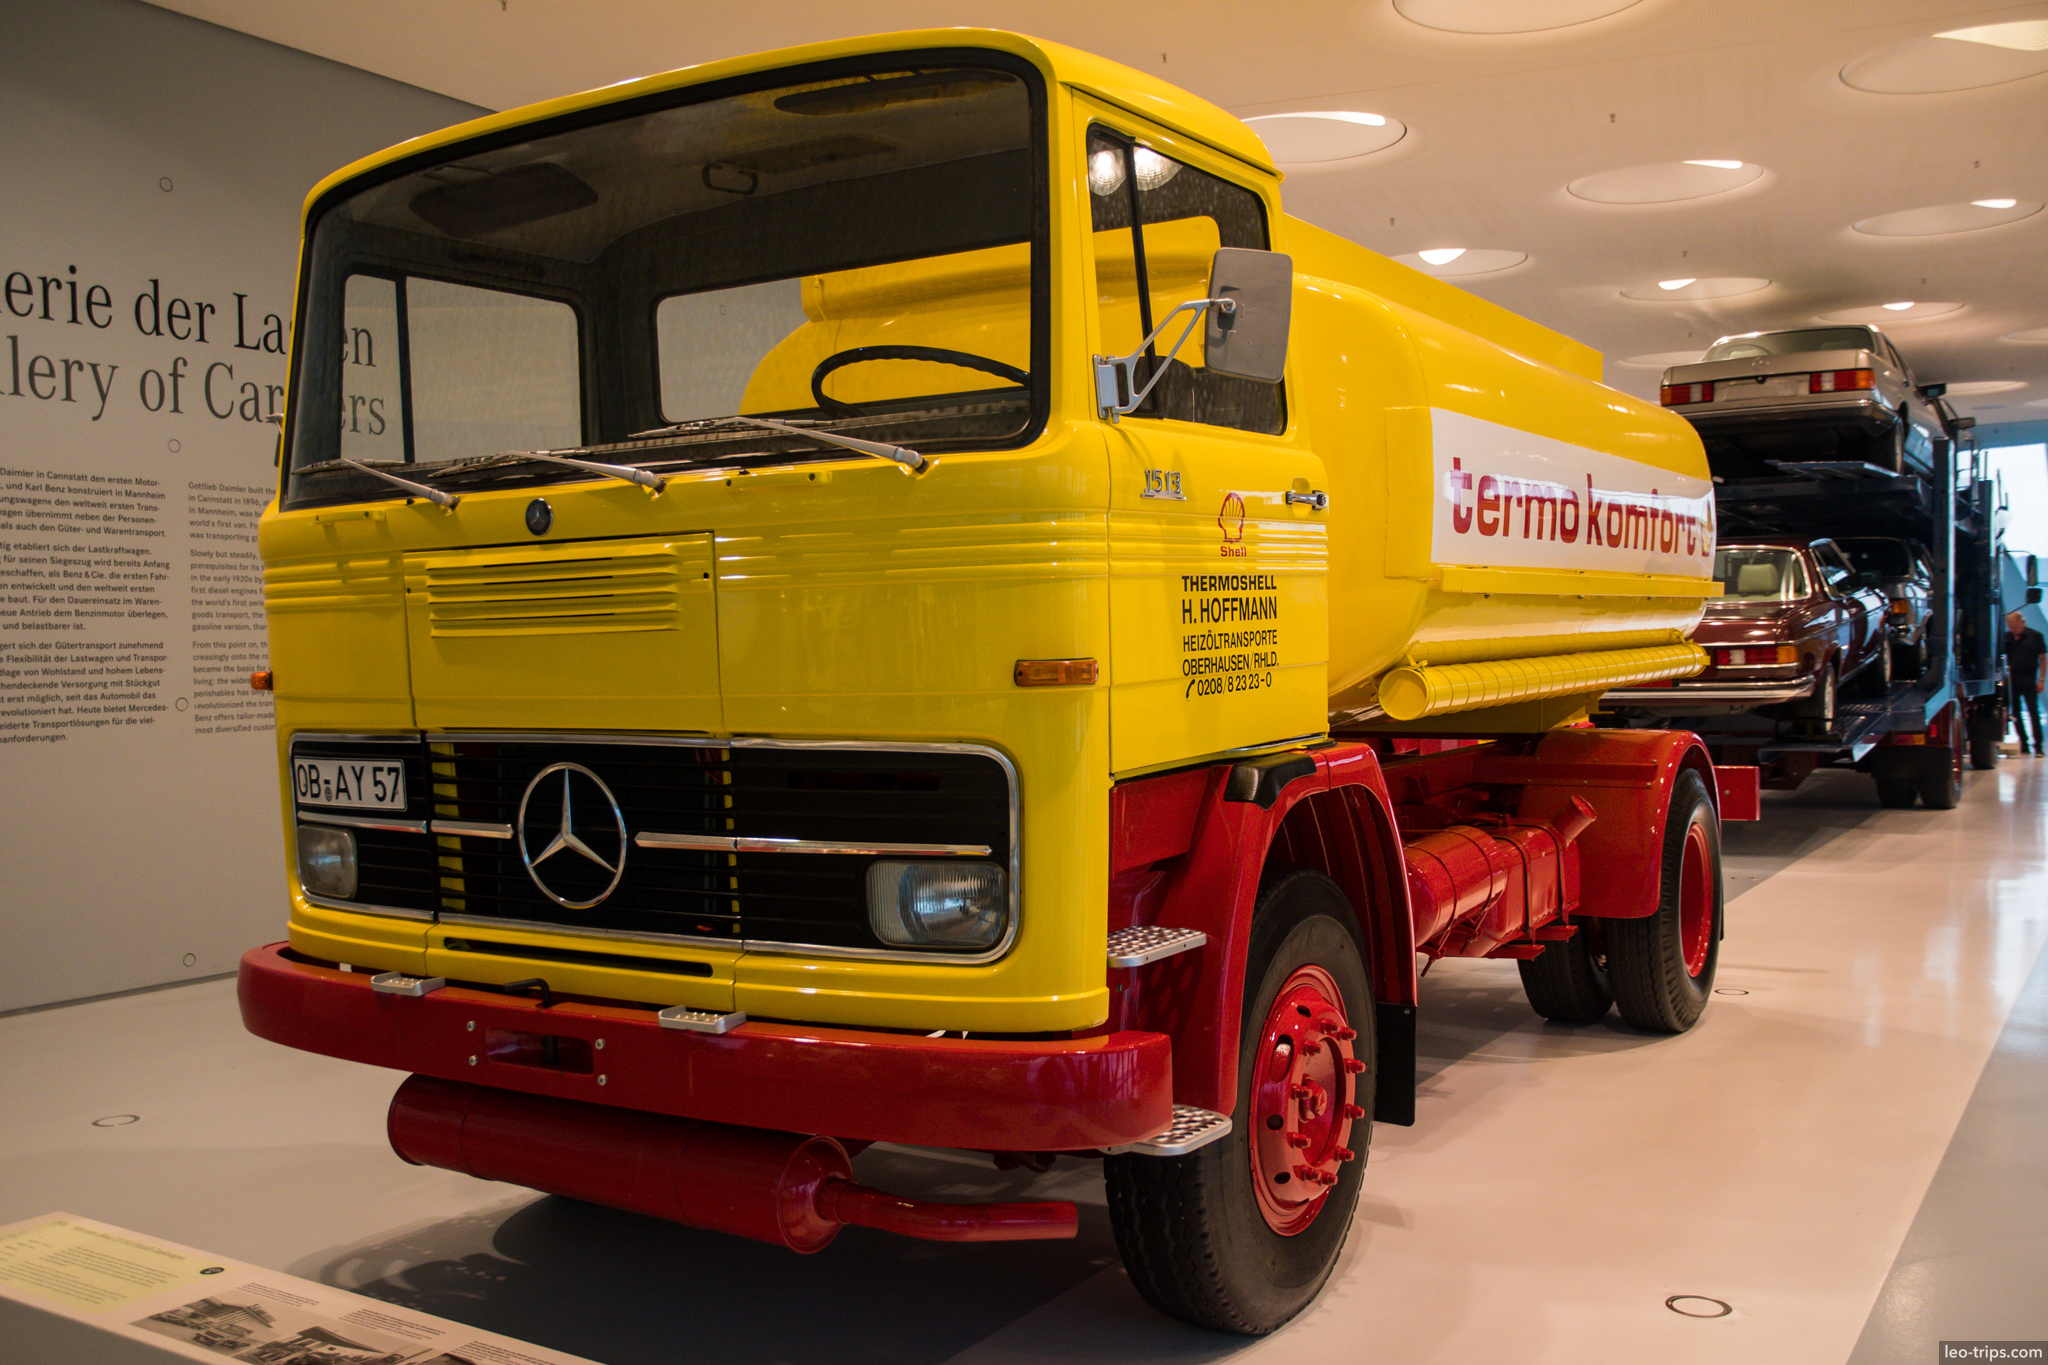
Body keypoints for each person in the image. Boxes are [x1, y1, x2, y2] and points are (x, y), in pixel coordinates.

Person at [2000, 611, 2047, 754]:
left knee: (2033, 711)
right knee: (2015, 712)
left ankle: (2038, 745)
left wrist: (2042, 679)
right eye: (2010, 627)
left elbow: (2043, 659)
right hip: (2012, 679)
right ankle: (2023, 743)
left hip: (2029, 678)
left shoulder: (2036, 636)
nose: (2013, 629)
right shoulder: (2006, 637)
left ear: (2022, 622)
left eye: (2015, 626)